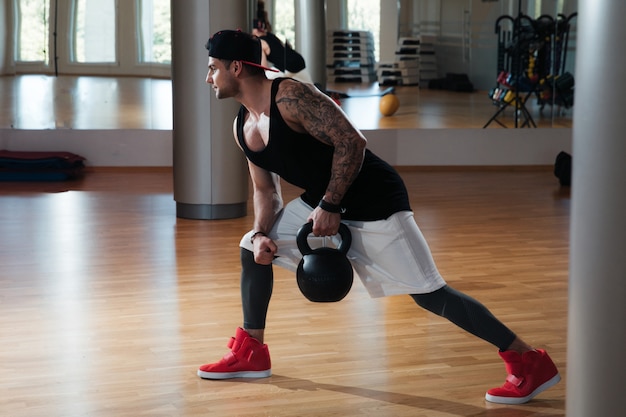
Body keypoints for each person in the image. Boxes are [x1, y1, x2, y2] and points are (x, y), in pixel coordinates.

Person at [198, 29, 561, 405]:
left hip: (374, 200)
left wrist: (332, 205)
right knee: (250, 247)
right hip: (320, 201)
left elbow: (352, 141)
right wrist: (260, 233)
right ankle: (251, 351)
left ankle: (528, 361)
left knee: (430, 295)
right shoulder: (243, 127)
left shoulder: (291, 97)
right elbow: (265, 191)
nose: (208, 78)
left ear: (236, 67)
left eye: (212, 69)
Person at [251, 1, 313, 83]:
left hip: (291, 67)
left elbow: (264, 69)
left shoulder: (261, 43)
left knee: (265, 78)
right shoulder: (270, 35)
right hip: (299, 60)